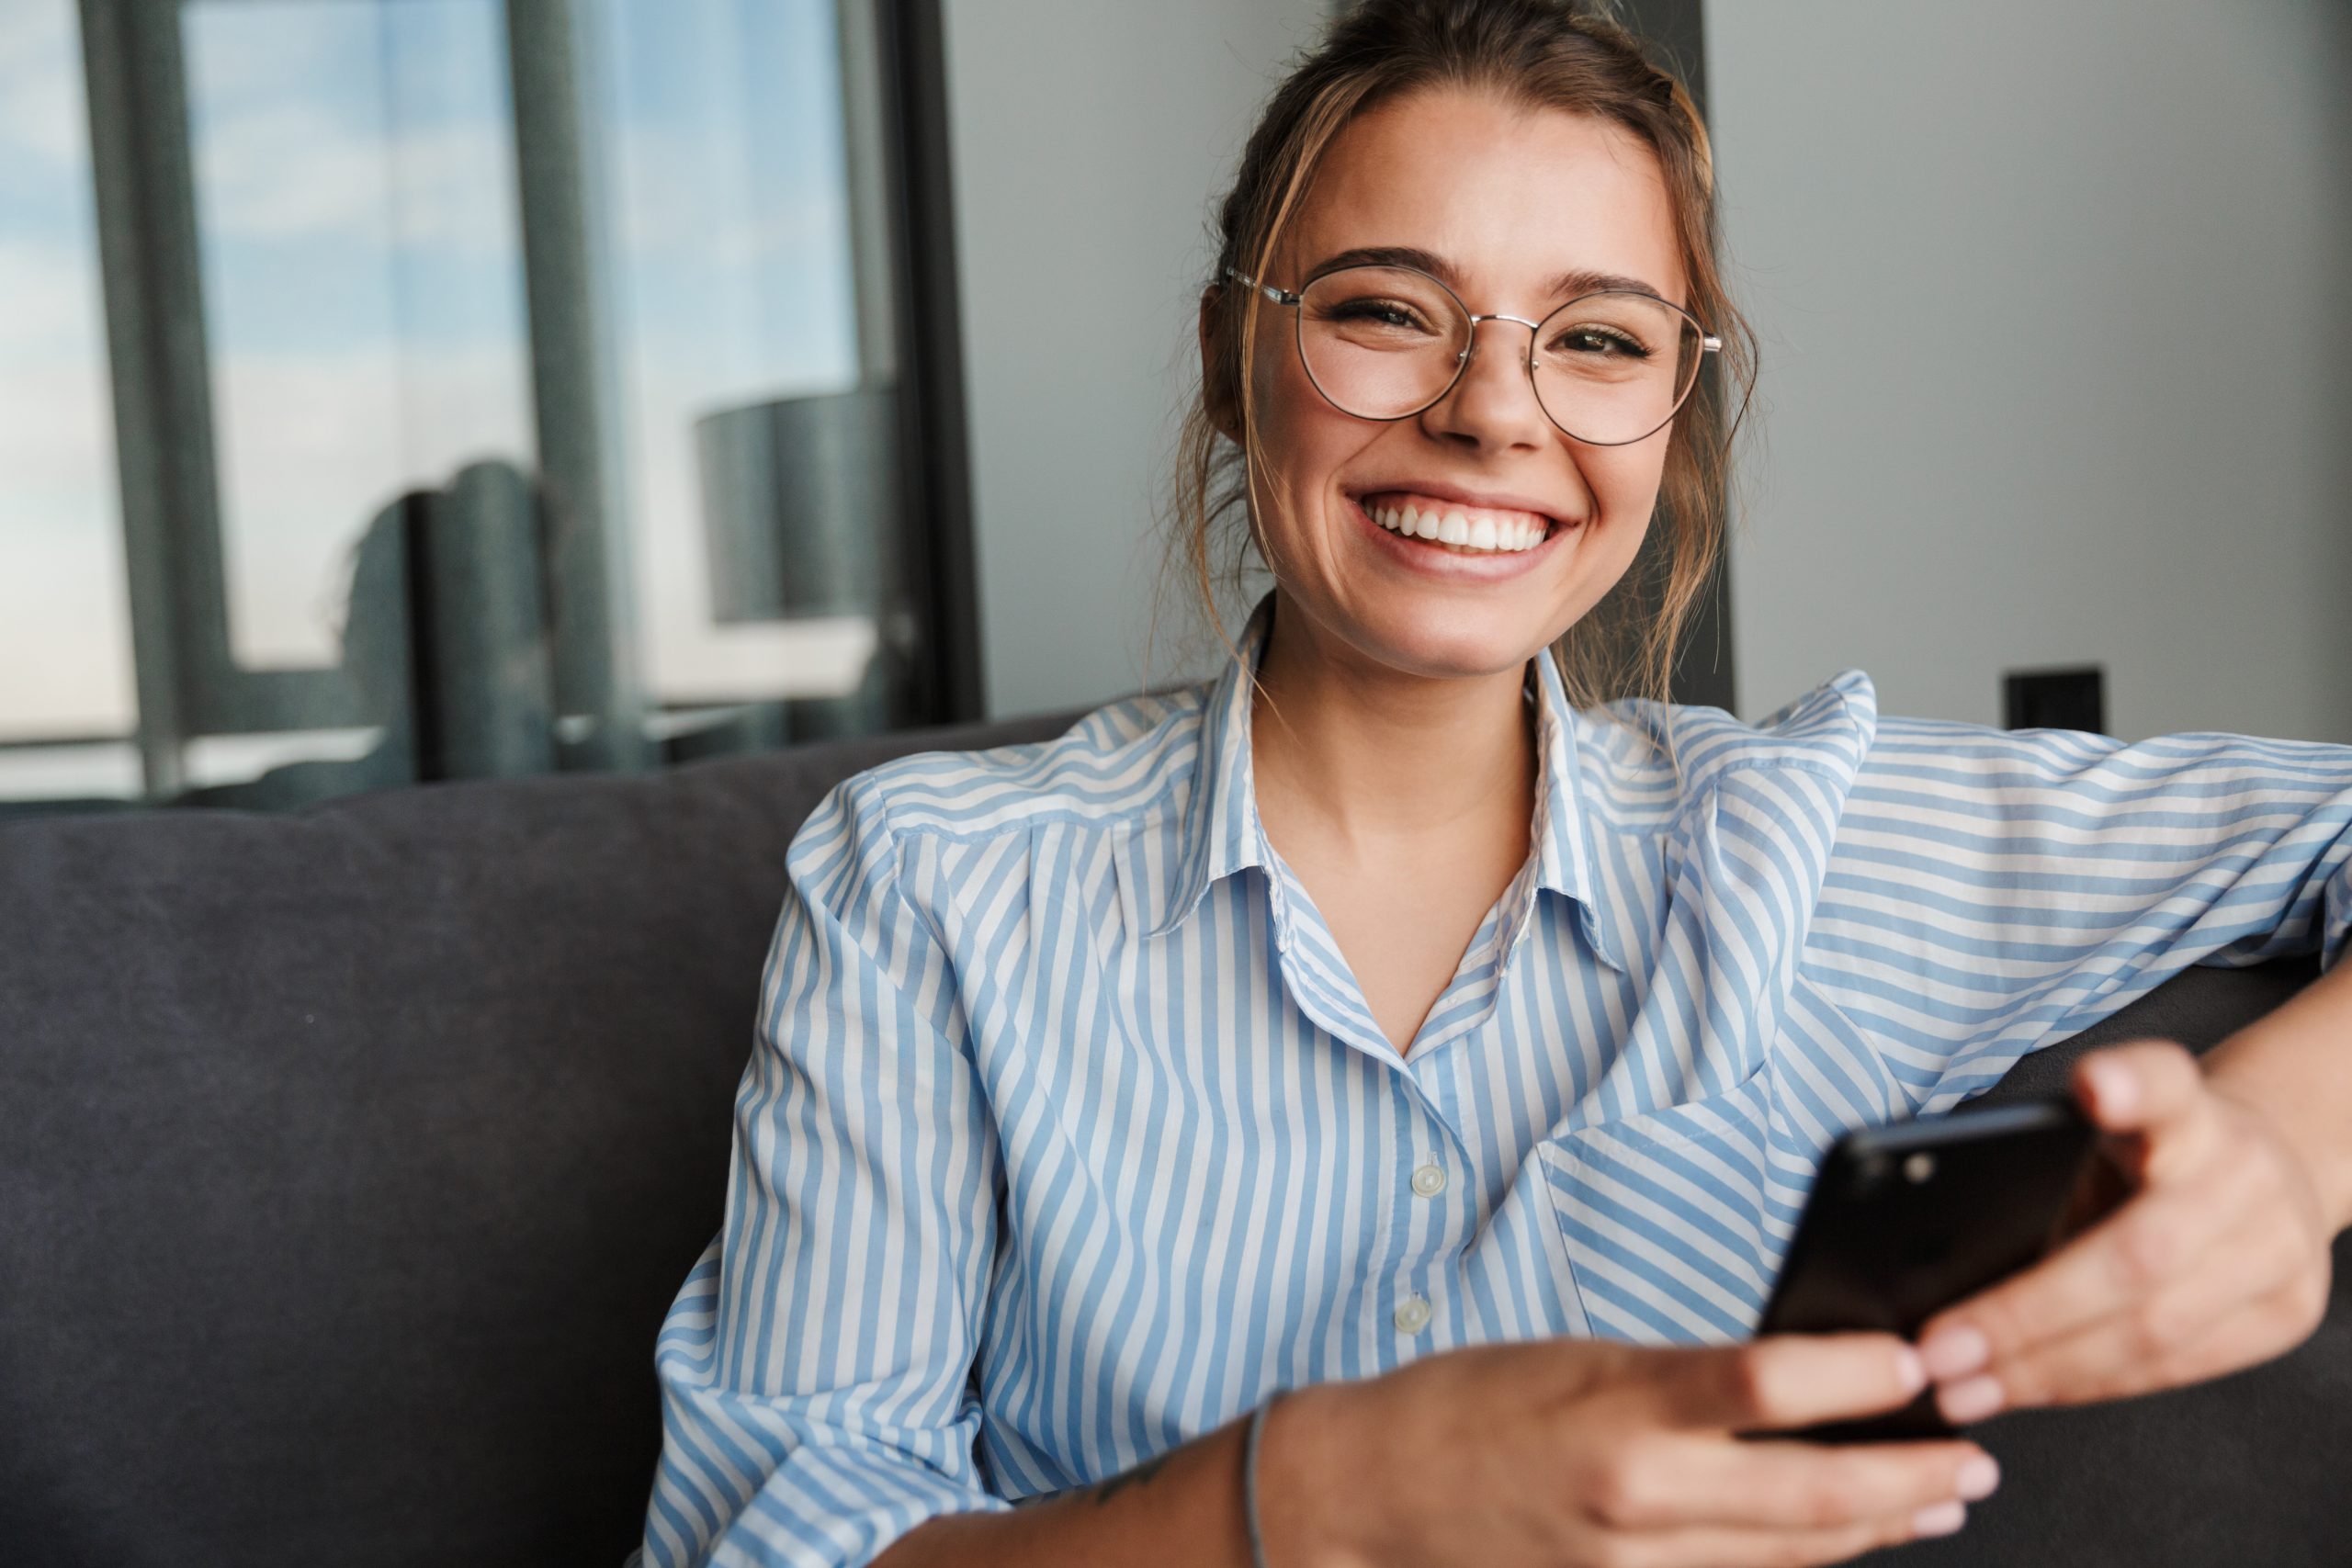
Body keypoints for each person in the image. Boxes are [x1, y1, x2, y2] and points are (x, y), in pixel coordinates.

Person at [637, 4, 2352, 1565]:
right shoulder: (928, 884)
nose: (1489, 412)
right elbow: (762, 1544)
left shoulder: (1799, 844)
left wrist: (2276, 1149)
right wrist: (1307, 1499)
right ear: (1240, 363)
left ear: (1674, 418)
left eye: (1597, 340)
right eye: (1389, 311)